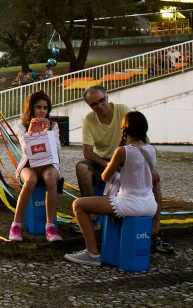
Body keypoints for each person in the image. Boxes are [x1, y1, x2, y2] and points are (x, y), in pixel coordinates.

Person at [77, 86, 174, 253]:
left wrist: (152, 168)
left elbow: (109, 177)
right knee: (82, 168)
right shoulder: (90, 120)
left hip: (124, 171)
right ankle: (93, 218)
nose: (101, 106)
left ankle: (155, 230)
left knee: (154, 180)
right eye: (95, 104)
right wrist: (105, 164)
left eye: (102, 101)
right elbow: (87, 152)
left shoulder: (122, 114)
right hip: (110, 163)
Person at [65, 111, 159, 265]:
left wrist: (109, 165)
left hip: (129, 203)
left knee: (79, 205)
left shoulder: (123, 151)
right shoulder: (152, 150)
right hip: (149, 205)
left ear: (125, 129)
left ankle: (92, 253)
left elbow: (105, 177)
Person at [9, 92, 63, 243]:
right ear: (31, 108)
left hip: (48, 164)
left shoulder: (53, 125)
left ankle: (50, 226)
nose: (42, 111)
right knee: (31, 180)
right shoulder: (22, 125)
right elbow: (27, 149)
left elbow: (57, 148)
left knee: (51, 177)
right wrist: (33, 132)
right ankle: (16, 225)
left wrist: (47, 133)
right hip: (29, 165)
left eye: (45, 108)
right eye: (38, 107)